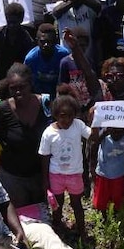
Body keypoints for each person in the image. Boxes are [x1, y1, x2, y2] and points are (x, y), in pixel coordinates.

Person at [0, 63, 52, 207]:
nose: (18, 92)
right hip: (13, 177)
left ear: (30, 85)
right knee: (21, 217)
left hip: (41, 174)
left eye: (22, 87)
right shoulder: (2, 109)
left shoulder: (46, 105)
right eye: (13, 88)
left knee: (41, 214)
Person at [38, 94, 91, 236]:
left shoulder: (78, 125)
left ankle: (81, 230)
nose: (66, 120)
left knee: (77, 204)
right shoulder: (49, 133)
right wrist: (45, 180)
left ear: (75, 115)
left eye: (70, 116)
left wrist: (96, 122)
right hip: (56, 174)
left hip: (75, 174)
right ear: (55, 115)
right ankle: (56, 227)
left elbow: (92, 136)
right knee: (57, 204)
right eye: (62, 116)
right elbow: (44, 156)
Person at [0, 3, 34, 89]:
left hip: (17, 76)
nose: (12, 25)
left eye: (14, 23)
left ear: (21, 20)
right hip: (0, 74)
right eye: (9, 22)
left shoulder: (26, 38)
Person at [53, 0, 101, 64]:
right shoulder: (61, 5)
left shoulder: (89, 7)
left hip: (87, 57)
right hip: (66, 58)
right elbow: (56, 12)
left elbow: (98, 6)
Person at [92, 127, 124, 217]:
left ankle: (116, 214)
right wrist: (104, 134)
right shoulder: (105, 137)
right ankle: (104, 215)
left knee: (118, 196)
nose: (117, 134)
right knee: (102, 197)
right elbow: (94, 143)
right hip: (103, 173)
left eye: (119, 132)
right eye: (114, 131)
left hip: (119, 173)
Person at [24, 23, 70, 98]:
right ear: (37, 41)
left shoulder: (64, 55)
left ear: (55, 41)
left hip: (60, 96)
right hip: (38, 97)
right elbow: (27, 83)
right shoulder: (30, 59)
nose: (46, 45)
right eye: (42, 42)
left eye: (49, 41)